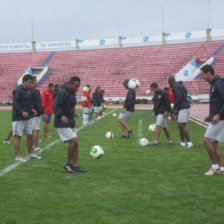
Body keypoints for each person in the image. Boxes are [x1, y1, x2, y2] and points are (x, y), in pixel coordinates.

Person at [53, 76, 86, 173]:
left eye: (78, 86)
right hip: (61, 122)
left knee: (76, 144)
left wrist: (74, 115)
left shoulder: (72, 93)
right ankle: (67, 164)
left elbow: (71, 107)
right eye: (75, 86)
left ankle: (75, 166)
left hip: (70, 121)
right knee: (74, 141)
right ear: (70, 84)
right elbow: (55, 106)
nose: (77, 88)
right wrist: (61, 115)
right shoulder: (62, 93)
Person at [200, 64, 224, 175]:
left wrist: (218, 115)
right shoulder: (214, 84)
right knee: (214, 143)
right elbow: (217, 102)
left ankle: (214, 167)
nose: (202, 77)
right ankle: (221, 168)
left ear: (209, 73)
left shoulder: (218, 84)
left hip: (221, 118)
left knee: (206, 140)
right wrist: (210, 116)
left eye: (203, 74)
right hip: (218, 118)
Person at [12, 74, 41, 162]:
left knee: (30, 135)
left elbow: (27, 102)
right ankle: (17, 156)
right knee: (18, 137)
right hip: (18, 118)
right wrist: (22, 111)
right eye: (29, 82)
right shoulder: (18, 90)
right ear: (24, 81)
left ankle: (31, 154)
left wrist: (31, 109)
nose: (30, 84)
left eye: (31, 82)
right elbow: (15, 104)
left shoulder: (28, 90)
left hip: (27, 117)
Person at [168, 76, 193, 148]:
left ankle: (189, 143)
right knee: (180, 125)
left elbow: (178, 98)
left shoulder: (175, 87)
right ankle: (182, 142)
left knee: (182, 125)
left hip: (183, 107)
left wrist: (175, 108)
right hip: (183, 107)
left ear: (170, 82)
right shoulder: (179, 86)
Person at [30, 76, 45, 153]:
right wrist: (42, 112)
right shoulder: (35, 91)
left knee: (32, 130)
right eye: (36, 80)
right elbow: (38, 103)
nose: (37, 82)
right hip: (35, 113)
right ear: (33, 82)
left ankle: (32, 145)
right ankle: (36, 147)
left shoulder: (27, 90)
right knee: (36, 130)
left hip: (28, 113)